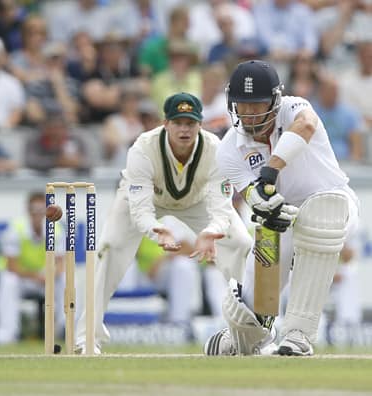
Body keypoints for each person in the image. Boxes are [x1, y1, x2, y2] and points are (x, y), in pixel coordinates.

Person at [74, 92, 253, 354]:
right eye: (178, 122)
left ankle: (245, 333)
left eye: (190, 123)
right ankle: (86, 337)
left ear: (199, 125)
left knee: (240, 242)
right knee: (110, 246)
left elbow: (221, 207)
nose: (184, 129)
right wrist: (156, 230)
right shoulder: (142, 148)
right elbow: (140, 208)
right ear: (165, 124)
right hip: (147, 200)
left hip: (196, 199)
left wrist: (210, 231)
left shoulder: (216, 149)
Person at [206, 59, 360, 357]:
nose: (250, 114)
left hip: (336, 202)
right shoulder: (228, 149)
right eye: (243, 105)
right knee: (248, 327)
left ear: (275, 100)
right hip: (281, 219)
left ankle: (299, 334)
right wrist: (265, 205)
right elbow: (252, 194)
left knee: (320, 215)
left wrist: (272, 170)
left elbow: (306, 125)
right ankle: (241, 335)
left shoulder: (293, 108)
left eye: (258, 104)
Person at [0, 192, 65, 344]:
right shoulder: (16, 228)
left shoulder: (55, 229)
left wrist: (49, 276)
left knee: (65, 279)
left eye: (41, 209)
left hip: (47, 278)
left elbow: (61, 264)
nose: (37, 214)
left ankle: (64, 329)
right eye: (34, 209)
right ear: (28, 210)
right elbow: (12, 266)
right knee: (8, 280)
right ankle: (6, 333)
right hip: (23, 279)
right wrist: (36, 277)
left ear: (47, 211)